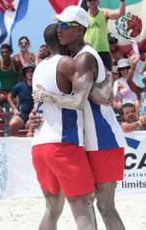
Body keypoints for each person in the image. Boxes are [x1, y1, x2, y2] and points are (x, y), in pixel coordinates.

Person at [34, 6, 127, 230]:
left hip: (102, 138)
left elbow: (77, 101)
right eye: (59, 25)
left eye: (65, 26)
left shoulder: (84, 57)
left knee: (104, 206)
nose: (59, 30)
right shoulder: (74, 58)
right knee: (90, 204)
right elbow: (93, 95)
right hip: (88, 138)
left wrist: (50, 98)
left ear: (80, 29)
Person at [30, 23, 97, 230]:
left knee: (52, 209)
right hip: (63, 143)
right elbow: (83, 97)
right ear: (60, 38)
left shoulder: (38, 68)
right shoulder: (67, 64)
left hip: (40, 144)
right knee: (82, 206)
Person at [84, 0, 126, 71]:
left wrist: (122, 1)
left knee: (107, 78)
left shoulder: (104, 13)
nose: (92, 2)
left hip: (103, 52)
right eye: (90, 0)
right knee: (90, 78)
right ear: (87, 2)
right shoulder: (84, 16)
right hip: (88, 51)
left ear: (98, 1)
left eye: (94, 0)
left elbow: (120, 14)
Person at [0, 44, 22, 113]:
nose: (4, 54)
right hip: (3, 92)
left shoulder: (16, 62)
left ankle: (14, 116)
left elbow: (22, 78)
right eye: (2, 52)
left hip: (14, 93)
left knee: (20, 101)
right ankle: (3, 116)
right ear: (0, 53)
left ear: (10, 53)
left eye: (6, 52)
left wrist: (21, 92)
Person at [7, 64, 35, 136]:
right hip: (21, 114)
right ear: (25, 74)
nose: (30, 73)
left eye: (32, 71)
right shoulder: (19, 85)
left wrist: (34, 111)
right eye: (27, 72)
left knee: (31, 130)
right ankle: (14, 144)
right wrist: (14, 109)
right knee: (12, 124)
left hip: (34, 115)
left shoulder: (38, 86)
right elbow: (9, 96)